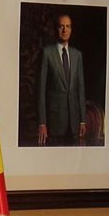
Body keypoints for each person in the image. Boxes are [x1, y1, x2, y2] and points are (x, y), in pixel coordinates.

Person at [36, 13, 87, 146]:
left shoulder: (77, 55)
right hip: (54, 124)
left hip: (74, 124)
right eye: (61, 26)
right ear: (56, 29)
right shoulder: (47, 53)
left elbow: (80, 90)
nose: (65, 30)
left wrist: (82, 120)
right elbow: (41, 90)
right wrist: (42, 123)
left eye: (68, 26)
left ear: (71, 29)